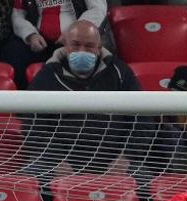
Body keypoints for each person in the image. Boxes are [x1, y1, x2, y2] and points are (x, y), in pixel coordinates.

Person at [27, 20, 144, 176]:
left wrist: (126, 156)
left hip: (116, 159)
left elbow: (143, 118)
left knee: (144, 180)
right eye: (75, 44)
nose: (82, 51)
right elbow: (32, 123)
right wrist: (56, 160)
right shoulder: (47, 75)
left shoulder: (120, 71)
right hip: (61, 159)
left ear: (99, 48)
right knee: (29, 182)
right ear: (65, 45)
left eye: (89, 46)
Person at [8, 0, 106, 89]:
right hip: (39, 41)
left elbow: (98, 9)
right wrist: (30, 35)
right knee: (13, 51)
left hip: (74, 42)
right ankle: (24, 100)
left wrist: (73, 32)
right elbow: (17, 15)